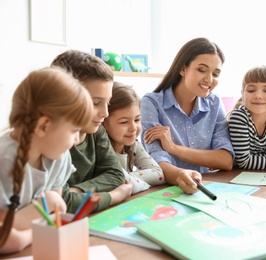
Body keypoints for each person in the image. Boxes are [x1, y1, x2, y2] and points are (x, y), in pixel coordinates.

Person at [0, 67, 94, 254]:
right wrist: (30, 232)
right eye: (74, 130)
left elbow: (54, 214)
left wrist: (49, 205)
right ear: (43, 126)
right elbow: (6, 235)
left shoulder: (60, 157)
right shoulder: (3, 160)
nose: (77, 140)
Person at [140, 37, 234, 194]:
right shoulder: (152, 102)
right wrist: (180, 176)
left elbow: (226, 160)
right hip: (167, 190)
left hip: (207, 187)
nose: (209, 79)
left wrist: (174, 148)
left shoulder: (215, 103)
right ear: (183, 69)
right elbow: (156, 160)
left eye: (216, 74)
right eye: (201, 70)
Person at [51, 50, 132, 213]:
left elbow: (116, 175)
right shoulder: (51, 142)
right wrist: (114, 196)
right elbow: (63, 204)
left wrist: (77, 191)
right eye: (95, 103)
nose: (105, 113)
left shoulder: (96, 130)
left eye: (107, 103)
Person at [103, 82, 165, 194]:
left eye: (137, 120)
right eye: (124, 122)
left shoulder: (133, 145)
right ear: (104, 123)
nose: (133, 128)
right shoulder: (102, 150)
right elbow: (121, 180)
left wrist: (131, 180)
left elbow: (159, 174)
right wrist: (138, 183)